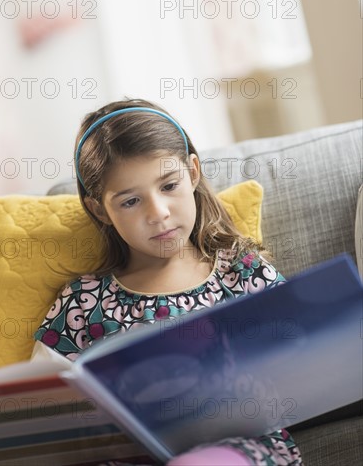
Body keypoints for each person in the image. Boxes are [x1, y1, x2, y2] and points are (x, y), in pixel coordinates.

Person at [33, 98, 303, 465]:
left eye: (169, 186)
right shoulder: (83, 303)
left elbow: (304, 356)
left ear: (192, 173)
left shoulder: (240, 272)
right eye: (130, 202)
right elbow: (41, 413)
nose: (158, 213)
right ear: (100, 210)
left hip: (235, 450)